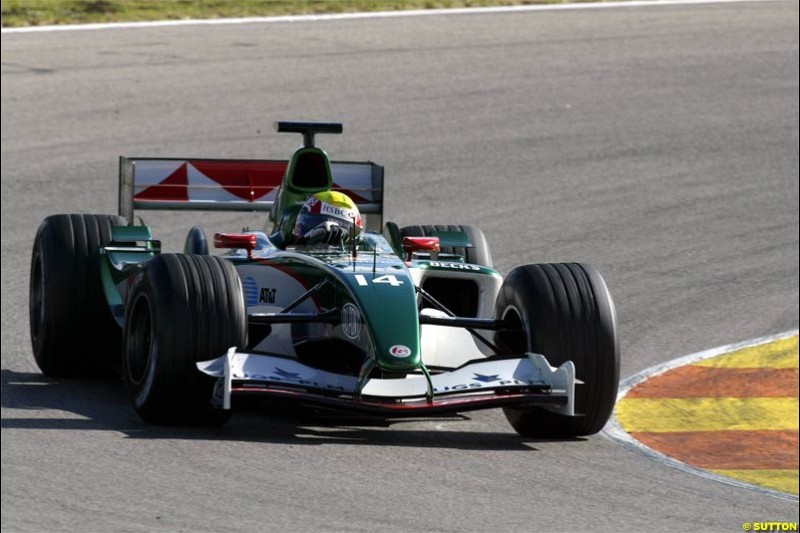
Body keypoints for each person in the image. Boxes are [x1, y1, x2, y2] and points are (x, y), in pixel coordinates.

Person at [272, 191, 363, 248]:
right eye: (315, 223)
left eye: (343, 227)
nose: (331, 234)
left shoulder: (368, 248)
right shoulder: (274, 245)